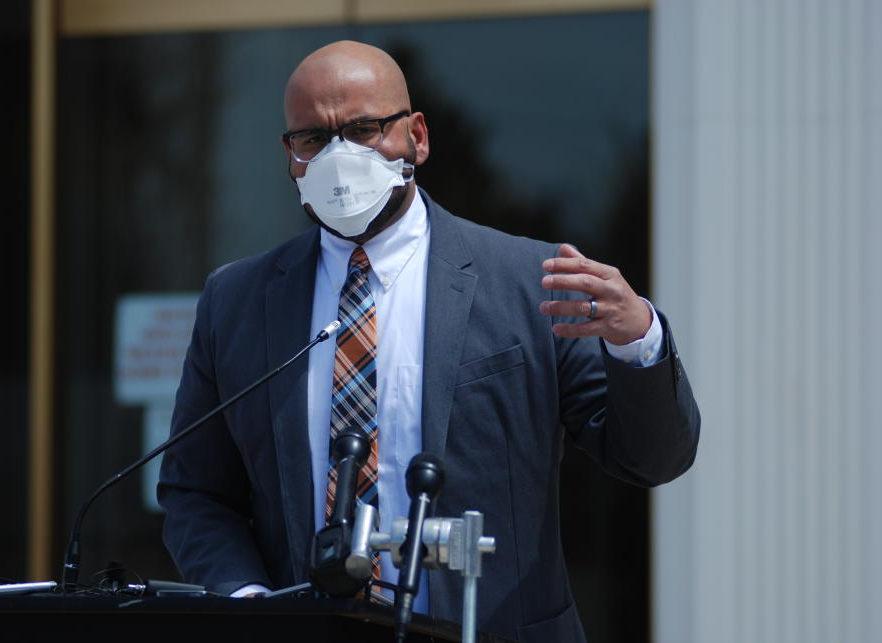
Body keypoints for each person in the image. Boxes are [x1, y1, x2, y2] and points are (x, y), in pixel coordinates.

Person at [158, 40, 699, 643]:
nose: (340, 156)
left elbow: (654, 458)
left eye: (364, 129)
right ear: (290, 156)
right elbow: (196, 493)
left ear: (417, 136)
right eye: (314, 139)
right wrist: (250, 603)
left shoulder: (531, 284)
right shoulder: (236, 300)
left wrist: (638, 341)